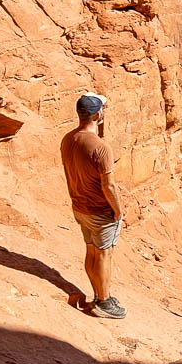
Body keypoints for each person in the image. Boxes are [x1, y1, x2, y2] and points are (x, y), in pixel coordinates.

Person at [61, 92, 127, 319]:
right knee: (104, 254)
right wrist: (118, 210)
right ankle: (104, 302)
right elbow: (108, 186)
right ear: (98, 115)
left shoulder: (68, 139)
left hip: (79, 207)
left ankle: (99, 294)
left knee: (91, 250)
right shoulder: (101, 147)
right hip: (100, 210)